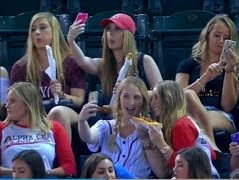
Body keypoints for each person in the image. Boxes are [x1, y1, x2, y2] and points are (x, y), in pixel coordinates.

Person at [67, 13, 162, 120]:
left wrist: (132, 92)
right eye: (108, 29)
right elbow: (83, 61)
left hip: (136, 117)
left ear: (128, 35)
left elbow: (161, 93)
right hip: (110, 118)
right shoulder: (103, 64)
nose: (110, 33)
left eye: (117, 29)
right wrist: (71, 41)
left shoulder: (144, 60)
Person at [10, 12, 86, 141]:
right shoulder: (21, 67)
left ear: (54, 31)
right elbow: (12, 101)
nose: (37, 33)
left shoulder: (71, 62)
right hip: (35, 113)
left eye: (43, 27)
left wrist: (62, 94)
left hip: (66, 110)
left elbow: (79, 100)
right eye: (33, 29)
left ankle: (63, 159)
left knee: (58, 112)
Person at [176, 15, 239, 135]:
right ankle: (213, 151)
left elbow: (227, 106)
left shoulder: (235, 67)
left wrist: (229, 71)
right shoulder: (188, 64)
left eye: (226, 38)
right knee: (188, 97)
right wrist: (205, 78)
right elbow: (179, 99)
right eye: (216, 35)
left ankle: (211, 151)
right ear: (207, 35)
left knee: (200, 121)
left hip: (220, 115)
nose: (221, 41)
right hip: (190, 113)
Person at [78, 77, 164, 178]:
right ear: (119, 99)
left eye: (137, 97)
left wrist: (146, 140)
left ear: (143, 102)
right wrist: (82, 121)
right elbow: (88, 137)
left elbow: (161, 173)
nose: (131, 102)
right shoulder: (106, 126)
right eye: (126, 96)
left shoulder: (151, 130)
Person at [145, 80, 220, 178]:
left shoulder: (181, 125)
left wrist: (160, 143)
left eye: (157, 97)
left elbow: (185, 165)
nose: (152, 103)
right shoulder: (173, 123)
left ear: (169, 99)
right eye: (151, 99)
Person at [1, 82, 76, 177]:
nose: (7, 106)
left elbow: (70, 167)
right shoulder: (2, 129)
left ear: (28, 105)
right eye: (7, 101)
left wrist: (43, 173)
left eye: (12, 101)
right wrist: (19, 172)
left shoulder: (54, 128)